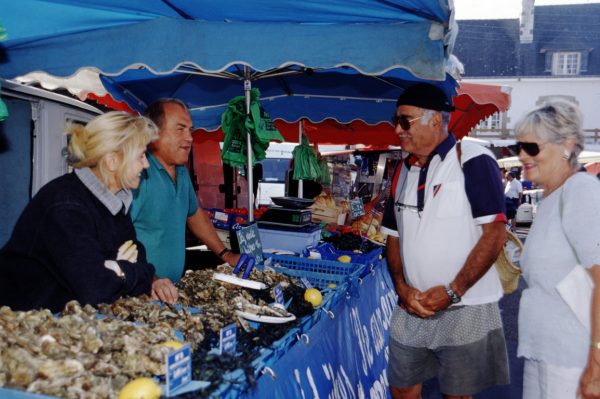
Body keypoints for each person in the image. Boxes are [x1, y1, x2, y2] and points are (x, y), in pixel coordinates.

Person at [381, 83, 509, 399]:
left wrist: (453, 291)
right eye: (396, 121)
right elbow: (394, 236)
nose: (397, 130)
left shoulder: (473, 160)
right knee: (401, 386)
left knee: (457, 394)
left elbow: (495, 235)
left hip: (466, 305)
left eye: (405, 121)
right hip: (411, 305)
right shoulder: (401, 171)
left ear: (435, 121)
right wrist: (401, 288)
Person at [0, 112, 157, 313]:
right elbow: (95, 290)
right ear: (112, 161)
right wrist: (122, 270)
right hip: (21, 326)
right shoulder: (64, 206)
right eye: (141, 156)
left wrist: (118, 270)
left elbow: (144, 268)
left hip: (65, 320)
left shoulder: (116, 201)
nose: (146, 164)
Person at [514, 101, 600, 399]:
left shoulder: (581, 191)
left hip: (571, 357)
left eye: (531, 147)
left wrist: (596, 364)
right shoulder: (553, 196)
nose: (522, 154)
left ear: (567, 145)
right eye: (519, 146)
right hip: (544, 351)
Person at [131, 99, 241, 303]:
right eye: (180, 129)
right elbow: (118, 238)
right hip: (141, 293)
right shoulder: (138, 173)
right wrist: (151, 278)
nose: (189, 138)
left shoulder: (181, 171)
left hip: (172, 290)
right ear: (153, 133)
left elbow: (194, 213)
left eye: (190, 130)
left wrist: (225, 254)